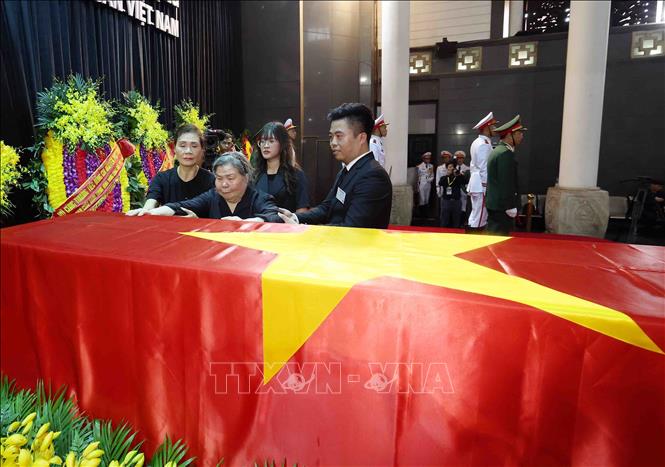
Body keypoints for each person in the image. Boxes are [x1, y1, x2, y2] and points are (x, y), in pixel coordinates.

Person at [278, 103, 392, 228]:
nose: (333, 143)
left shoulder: (373, 176)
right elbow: (327, 207)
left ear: (361, 138)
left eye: (339, 136)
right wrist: (295, 218)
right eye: (331, 137)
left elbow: (352, 228)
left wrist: (304, 229)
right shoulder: (347, 170)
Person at [138, 152, 281, 222]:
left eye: (230, 178)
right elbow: (180, 206)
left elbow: (273, 216)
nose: (224, 184)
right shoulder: (212, 196)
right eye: (219, 178)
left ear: (246, 177)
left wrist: (244, 224)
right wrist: (150, 212)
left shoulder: (260, 198)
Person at [126, 124, 214, 216]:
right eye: (182, 145)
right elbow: (150, 203)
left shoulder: (211, 181)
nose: (188, 151)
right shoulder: (162, 178)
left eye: (194, 146)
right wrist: (145, 211)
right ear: (174, 148)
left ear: (202, 150)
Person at [252, 121, 310, 213]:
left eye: (271, 141)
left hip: (285, 221)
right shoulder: (255, 174)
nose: (265, 146)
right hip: (258, 221)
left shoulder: (296, 174)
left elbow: (302, 210)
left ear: (282, 144)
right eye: (262, 141)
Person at [486, 115, 527, 235]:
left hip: (496, 204)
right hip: (502, 206)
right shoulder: (505, 154)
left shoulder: (498, 151)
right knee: (498, 238)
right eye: (519, 133)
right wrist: (510, 205)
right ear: (510, 135)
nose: (522, 136)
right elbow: (506, 182)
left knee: (494, 235)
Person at [468, 112, 497, 230]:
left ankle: (471, 233)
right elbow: (483, 167)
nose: (495, 129)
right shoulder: (483, 144)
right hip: (481, 185)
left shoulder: (478, 142)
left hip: (476, 183)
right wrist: (486, 186)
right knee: (480, 216)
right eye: (493, 126)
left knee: (475, 214)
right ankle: (475, 236)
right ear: (486, 128)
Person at [438, 163, 465, 228]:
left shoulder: (458, 178)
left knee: (456, 220)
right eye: (449, 167)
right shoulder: (444, 178)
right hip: (446, 201)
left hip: (456, 201)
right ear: (447, 169)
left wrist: (459, 175)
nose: (451, 168)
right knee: (444, 220)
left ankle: (456, 231)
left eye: (452, 167)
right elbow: (440, 183)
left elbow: (464, 181)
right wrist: (447, 175)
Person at [416, 152, 435, 217]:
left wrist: (430, 179)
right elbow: (417, 177)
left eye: (429, 158)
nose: (428, 160)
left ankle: (426, 214)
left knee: (427, 199)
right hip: (421, 184)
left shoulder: (431, 166)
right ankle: (421, 214)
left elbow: (432, 175)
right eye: (426, 158)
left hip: (428, 184)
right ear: (423, 159)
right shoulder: (419, 166)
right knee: (422, 199)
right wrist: (417, 187)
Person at [454, 150, 470, 218]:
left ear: (463, 159)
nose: (459, 160)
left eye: (461, 158)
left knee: (464, 207)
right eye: (458, 158)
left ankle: (463, 220)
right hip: (455, 190)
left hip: (464, 190)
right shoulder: (453, 168)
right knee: (455, 207)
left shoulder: (468, 168)